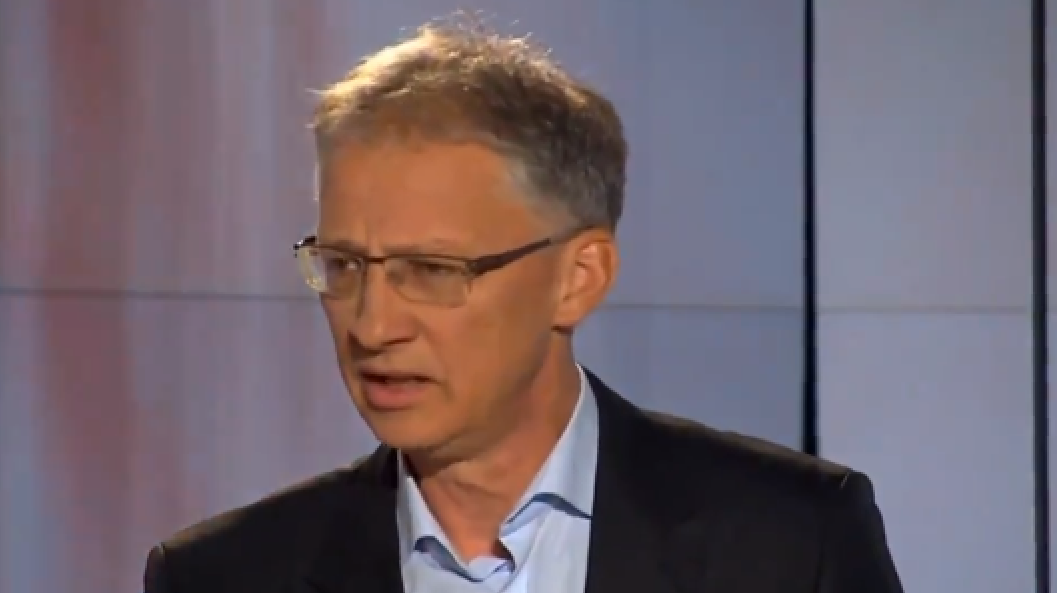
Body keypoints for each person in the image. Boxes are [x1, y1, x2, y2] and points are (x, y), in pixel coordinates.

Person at [143, 20, 903, 593]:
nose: (372, 326)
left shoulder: (791, 543)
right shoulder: (222, 578)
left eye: (431, 270)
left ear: (578, 277)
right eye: (344, 266)